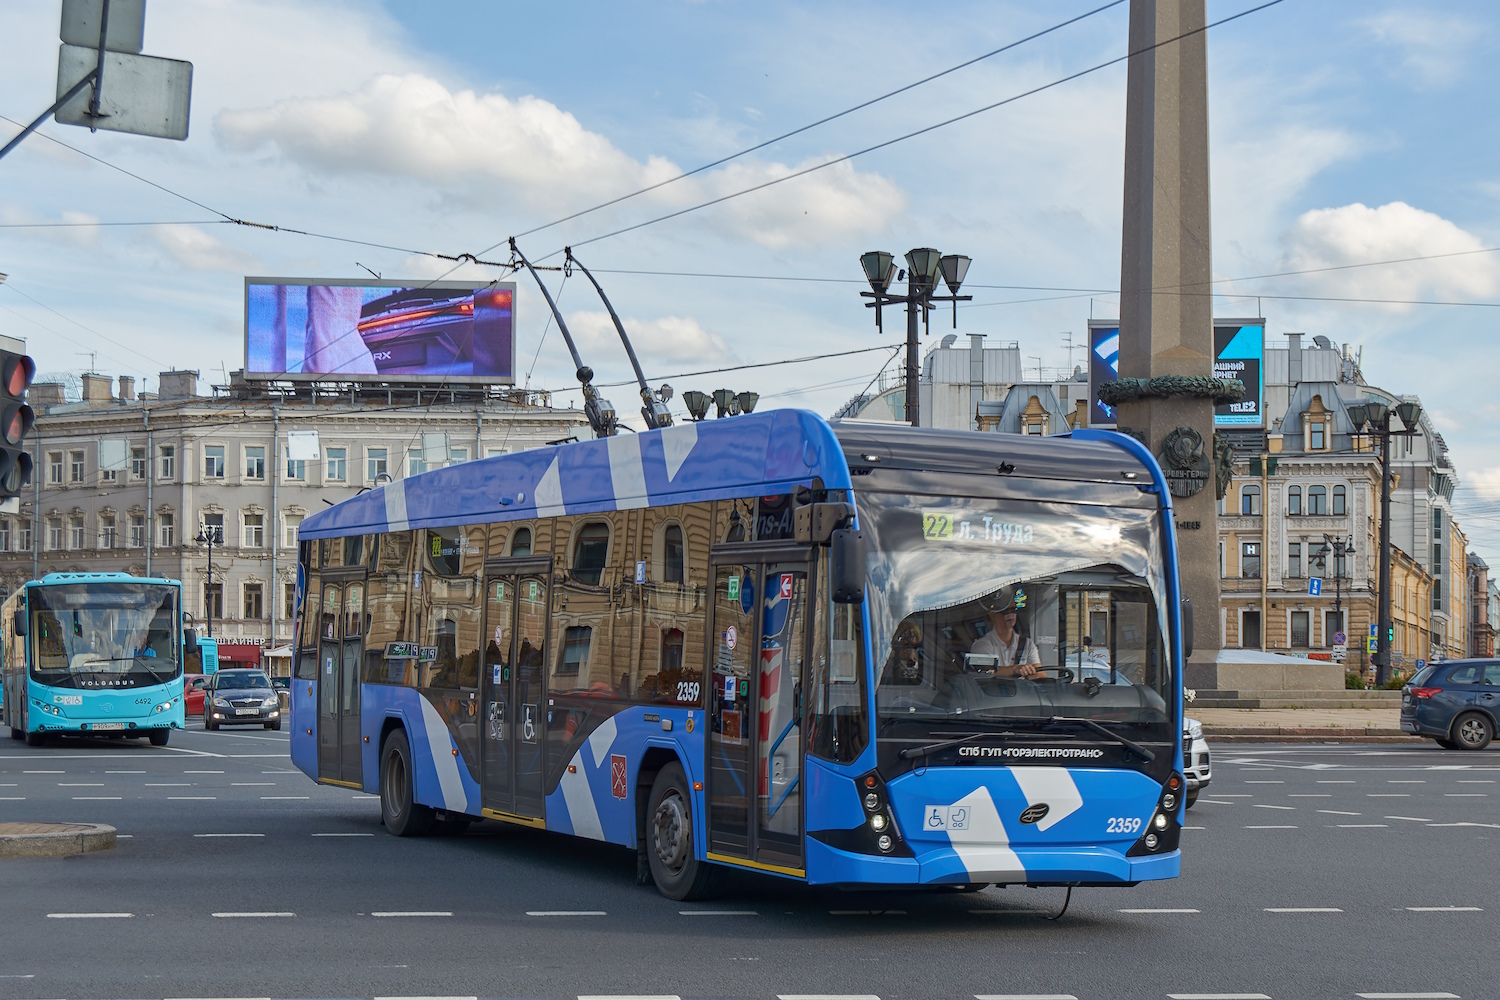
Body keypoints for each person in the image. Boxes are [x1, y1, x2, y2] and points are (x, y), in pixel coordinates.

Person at [970, 585, 1041, 678]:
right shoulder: (981, 645)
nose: (1010, 615)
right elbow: (988, 672)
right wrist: (1015, 669)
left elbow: (1040, 675)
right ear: (992, 615)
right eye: (1005, 611)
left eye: (1013, 610)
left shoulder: (1028, 644)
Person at [884, 620, 925, 685]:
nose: (908, 649)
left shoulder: (924, 666)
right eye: (904, 644)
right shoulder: (885, 663)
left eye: (911, 645)